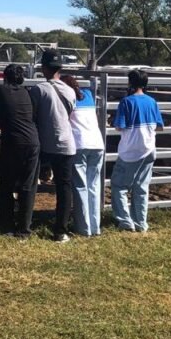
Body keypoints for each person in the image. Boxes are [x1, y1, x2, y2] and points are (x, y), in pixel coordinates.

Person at [0, 64, 40, 237]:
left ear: (5, 77)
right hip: (32, 141)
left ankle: (7, 226)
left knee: (7, 185)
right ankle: (24, 229)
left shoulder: (0, 90)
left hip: (12, 142)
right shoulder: (28, 92)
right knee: (27, 186)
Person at [29, 50, 76, 243]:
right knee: (64, 188)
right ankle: (61, 230)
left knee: (30, 182)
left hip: (44, 143)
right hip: (67, 143)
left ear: (44, 68)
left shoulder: (39, 90)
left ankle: (24, 224)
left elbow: (32, 115)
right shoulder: (69, 90)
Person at [110, 69, 164, 233]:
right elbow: (160, 126)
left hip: (130, 151)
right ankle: (141, 222)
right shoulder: (152, 102)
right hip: (149, 148)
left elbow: (119, 126)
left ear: (130, 83)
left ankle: (125, 221)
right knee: (141, 187)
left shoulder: (126, 102)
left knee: (119, 186)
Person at [61, 73, 105, 237]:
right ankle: (95, 227)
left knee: (80, 187)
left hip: (80, 144)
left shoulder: (67, 97)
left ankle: (83, 227)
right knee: (93, 185)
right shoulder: (88, 95)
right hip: (97, 143)